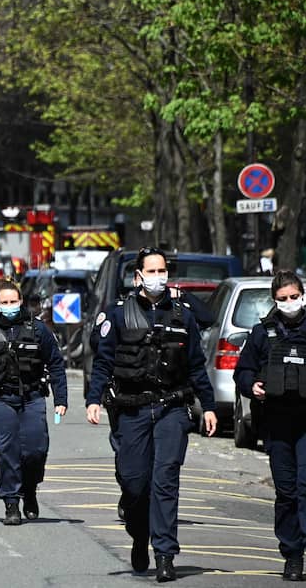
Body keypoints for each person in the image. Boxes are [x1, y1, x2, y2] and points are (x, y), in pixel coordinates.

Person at [86, 246, 217, 582]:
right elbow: (102, 362)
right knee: (134, 483)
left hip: (172, 407)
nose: (160, 277)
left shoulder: (182, 314)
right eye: (153, 272)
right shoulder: (118, 314)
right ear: (138, 277)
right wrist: (93, 399)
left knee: (165, 481)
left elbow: (197, 365)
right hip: (132, 409)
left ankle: (164, 554)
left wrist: (209, 406)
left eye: (163, 271)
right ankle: (139, 534)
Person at [234, 270, 306, 581]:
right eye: (283, 299)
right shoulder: (262, 333)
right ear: (274, 300)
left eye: (294, 297)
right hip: (277, 424)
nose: (290, 303)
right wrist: (251, 385)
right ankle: (292, 554)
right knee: (287, 492)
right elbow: (243, 371)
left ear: (303, 296)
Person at [0, 280, 67, 526]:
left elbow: (55, 363)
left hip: (32, 397)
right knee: (6, 451)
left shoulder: (38, 330)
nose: (9, 306)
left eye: (13, 301)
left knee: (35, 450)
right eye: (4, 302)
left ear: (21, 301)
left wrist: (61, 399)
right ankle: (11, 501)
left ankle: (30, 489)